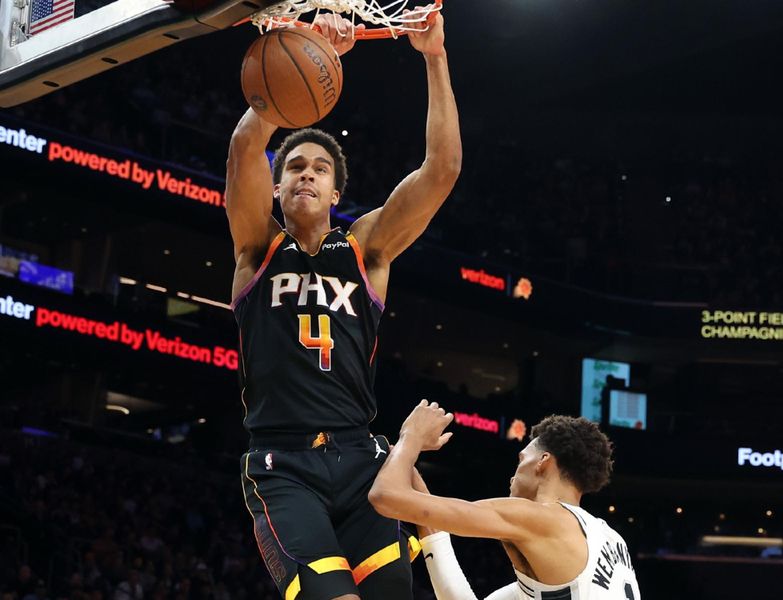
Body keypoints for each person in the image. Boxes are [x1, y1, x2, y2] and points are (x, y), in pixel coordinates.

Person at [225, 6, 461, 600]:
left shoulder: (367, 250)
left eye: (321, 167)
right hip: (283, 466)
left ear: (337, 190)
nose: (307, 173)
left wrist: (435, 58)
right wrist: (304, 58)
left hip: (365, 463)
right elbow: (240, 153)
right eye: (295, 166)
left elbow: (442, 169)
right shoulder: (256, 248)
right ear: (276, 185)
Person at [369, 401, 641, 599]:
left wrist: (410, 438)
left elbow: (385, 496)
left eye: (521, 460)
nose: (513, 475)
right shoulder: (609, 539)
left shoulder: (543, 519)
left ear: (543, 462)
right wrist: (421, 495)